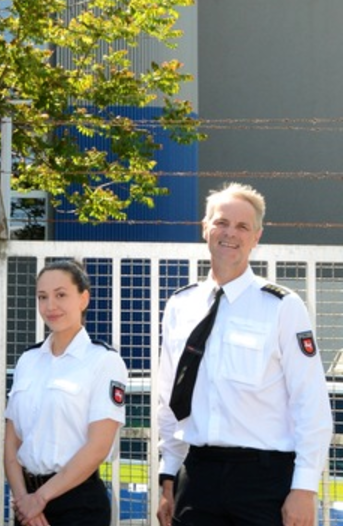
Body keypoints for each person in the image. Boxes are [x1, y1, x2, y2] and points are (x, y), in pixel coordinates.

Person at [156, 183, 332, 526]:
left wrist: (304, 489)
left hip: (264, 481)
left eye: (242, 227)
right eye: (221, 222)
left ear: (257, 237)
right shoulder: (180, 305)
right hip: (198, 476)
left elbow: (310, 403)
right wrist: (168, 476)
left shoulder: (282, 307)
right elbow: (169, 398)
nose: (230, 234)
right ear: (205, 227)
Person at [5, 260, 128, 526]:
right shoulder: (27, 361)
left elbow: (98, 447)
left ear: (84, 298)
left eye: (61, 295)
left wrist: (40, 498)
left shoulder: (103, 361)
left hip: (78, 504)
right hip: (27, 505)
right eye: (42, 297)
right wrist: (25, 501)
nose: (50, 306)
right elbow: (11, 444)